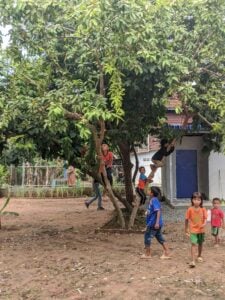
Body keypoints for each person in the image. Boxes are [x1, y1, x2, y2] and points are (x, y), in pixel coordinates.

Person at [141, 186, 170, 259]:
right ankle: (166, 252)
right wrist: (148, 212)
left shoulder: (154, 200)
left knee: (147, 237)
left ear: (152, 193)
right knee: (160, 238)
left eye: (149, 190)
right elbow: (153, 210)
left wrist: (156, 223)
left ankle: (148, 254)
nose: (147, 191)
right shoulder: (153, 200)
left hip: (153, 224)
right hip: (154, 224)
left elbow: (158, 211)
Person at [185, 192, 207, 268]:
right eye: (195, 199)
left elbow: (205, 218)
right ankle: (193, 260)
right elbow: (186, 219)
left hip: (201, 230)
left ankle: (199, 256)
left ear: (201, 201)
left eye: (198, 199)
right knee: (193, 244)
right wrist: (186, 229)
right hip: (193, 230)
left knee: (200, 243)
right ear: (192, 200)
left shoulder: (203, 209)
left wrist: (204, 223)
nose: (196, 201)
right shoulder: (190, 209)